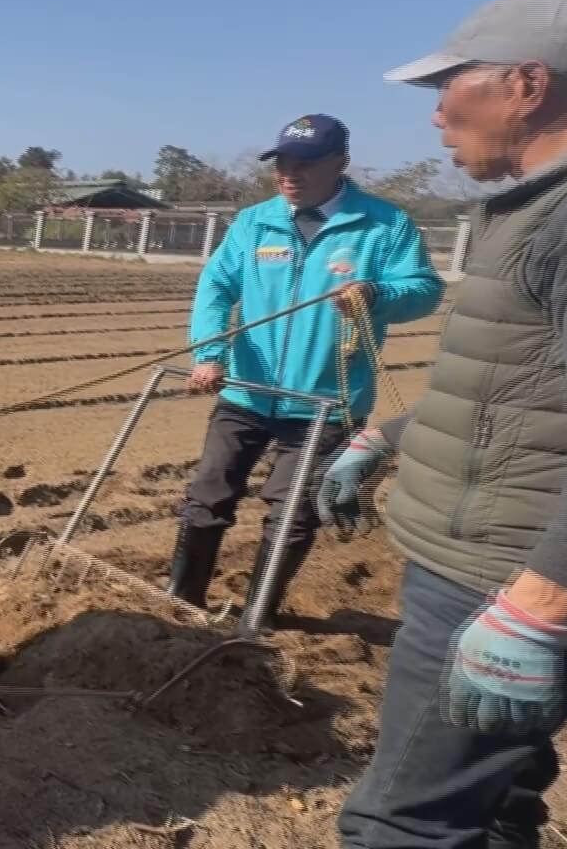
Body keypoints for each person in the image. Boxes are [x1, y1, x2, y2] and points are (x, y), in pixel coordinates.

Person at [316, 0, 567, 849]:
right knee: (494, 799)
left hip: (503, 576)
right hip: (502, 556)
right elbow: (523, 388)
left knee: (405, 835)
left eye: (447, 87)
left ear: (526, 85)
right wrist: (387, 436)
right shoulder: (565, 201)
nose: (435, 116)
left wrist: (535, 611)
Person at [166, 113, 445, 617]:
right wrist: (209, 354)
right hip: (246, 391)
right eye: (283, 163)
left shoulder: (384, 225)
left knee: (291, 514)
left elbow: (424, 290)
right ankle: (181, 603)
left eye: (306, 163)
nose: (289, 174)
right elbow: (216, 287)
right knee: (206, 500)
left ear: (340, 163)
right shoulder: (254, 222)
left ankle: (258, 617)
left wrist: (376, 294)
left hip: (327, 401)